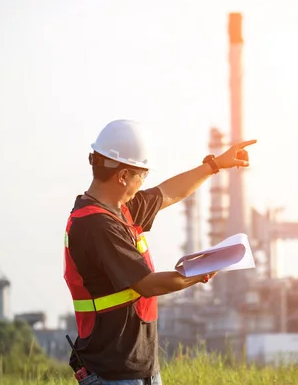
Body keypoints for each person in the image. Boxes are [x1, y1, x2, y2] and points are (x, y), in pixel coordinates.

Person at [62, 119, 256, 385]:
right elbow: (148, 284)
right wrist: (199, 273)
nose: (142, 183)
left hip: (138, 370)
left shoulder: (120, 210)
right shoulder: (96, 225)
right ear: (122, 176)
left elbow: (168, 193)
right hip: (114, 373)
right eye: (141, 175)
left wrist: (215, 165)